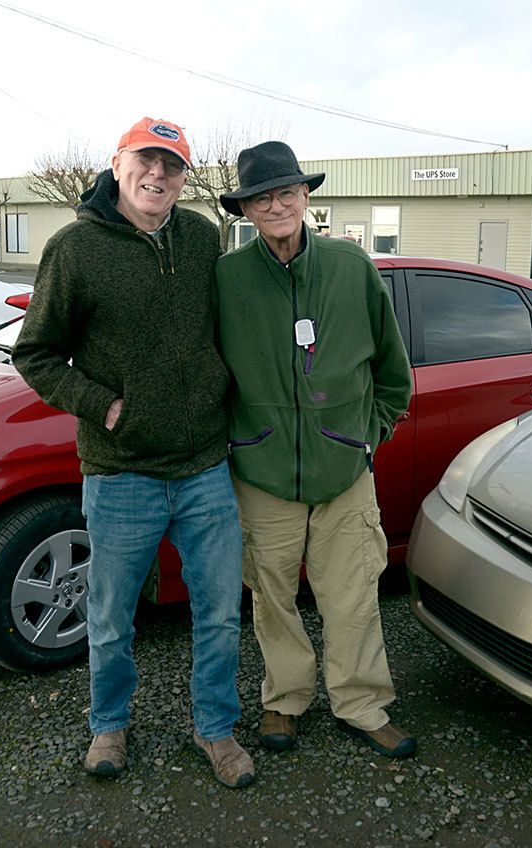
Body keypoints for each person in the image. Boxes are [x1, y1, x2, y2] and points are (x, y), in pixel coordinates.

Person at [12, 117, 254, 788]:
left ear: (184, 178)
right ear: (117, 165)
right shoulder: (75, 249)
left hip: (204, 465)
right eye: (146, 160)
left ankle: (216, 730)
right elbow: (35, 353)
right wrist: (104, 405)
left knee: (219, 613)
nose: (159, 175)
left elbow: (233, 327)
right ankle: (109, 725)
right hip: (121, 475)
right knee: (112, 618)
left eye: (173, 165)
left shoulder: (204, 239)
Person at [215, 141, 416, 758]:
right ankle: (285, 701)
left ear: (306, 197)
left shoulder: (351, 267)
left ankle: (362, 704)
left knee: (354, 593)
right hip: (262, 469)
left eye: (287, 192)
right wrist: (235, 441)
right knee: (271, 597)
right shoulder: (227, 278)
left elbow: (393, 372)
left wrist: (366, 435)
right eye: (261, 196)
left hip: (343, 469)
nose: (276, 204)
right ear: (246, 209)